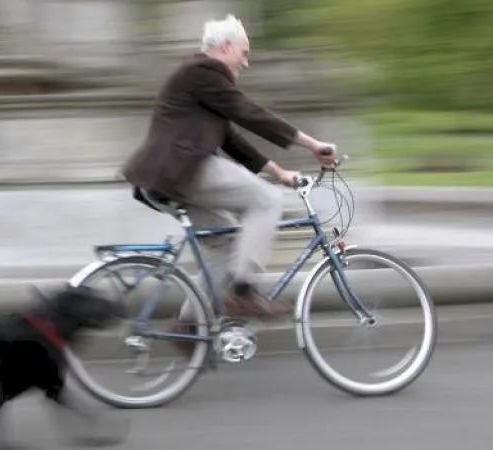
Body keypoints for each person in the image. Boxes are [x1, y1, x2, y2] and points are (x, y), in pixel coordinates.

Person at [121, 13, 337, 332]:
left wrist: (279, 172)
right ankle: (244, 291)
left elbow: (232, 139)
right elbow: (250, 113)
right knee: (265, 200)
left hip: (168, 177)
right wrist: (312, 144)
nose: (246, 63)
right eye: (244, 53)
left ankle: (188, 326)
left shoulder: (200, 81)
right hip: (182, 170)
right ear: (225, 47)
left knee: (225, 243)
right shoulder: (203, 71)